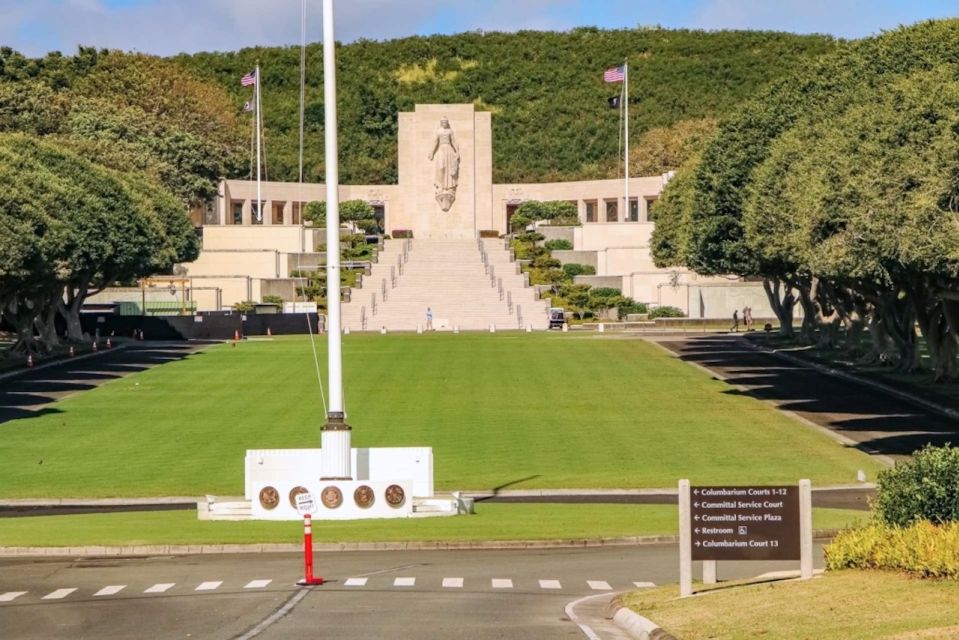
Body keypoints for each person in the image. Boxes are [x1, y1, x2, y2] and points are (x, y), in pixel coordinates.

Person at [427, 117, 460, 211]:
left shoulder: (450, 131)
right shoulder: (438, 131)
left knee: (449, 169)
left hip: (449, 150)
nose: (444, 123)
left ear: (447, 123)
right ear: (441, 123)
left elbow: (454, 141)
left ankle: (449, 188)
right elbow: (435, 142)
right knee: (441, 168)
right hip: (441, 150)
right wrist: (431, 152)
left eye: (445, 122)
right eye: (443, 122)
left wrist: (457, 152)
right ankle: (440, 187)